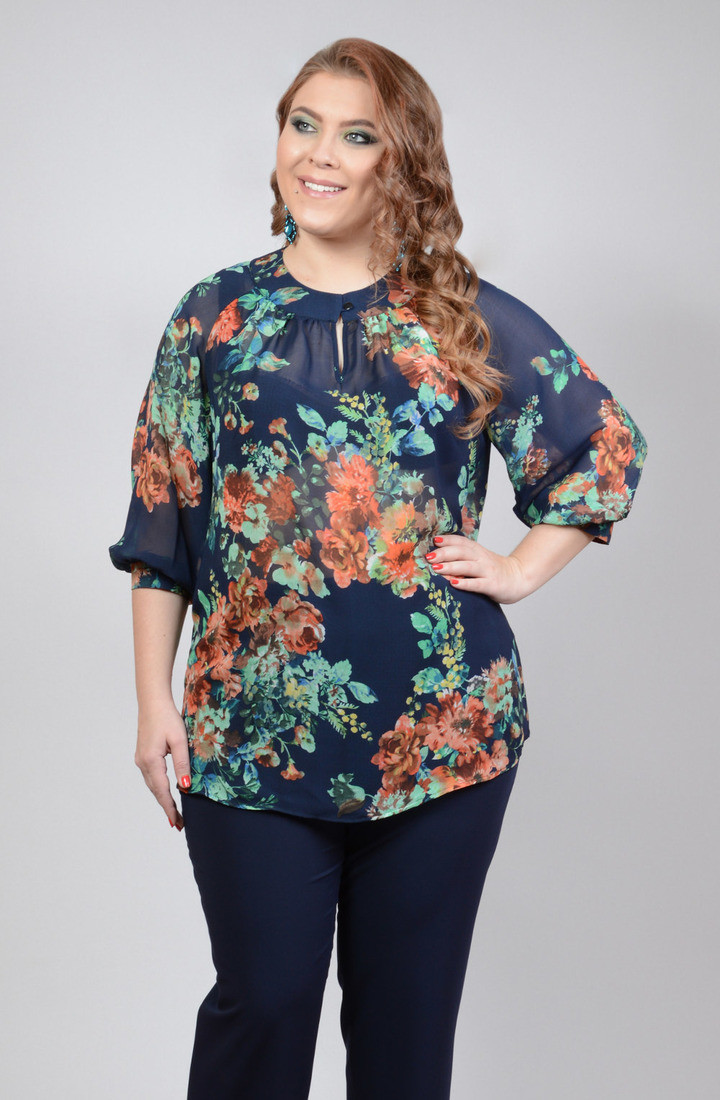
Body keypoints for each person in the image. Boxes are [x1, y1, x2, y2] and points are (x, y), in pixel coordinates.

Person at [109, 37, 646, 1100]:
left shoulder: (457, 315)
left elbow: (603, 445)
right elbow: (162, 512)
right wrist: (152, 701)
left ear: (400, 162)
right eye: (302, 124)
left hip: (445, 737)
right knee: (262, 1007)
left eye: (356, 135)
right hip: (251, 731)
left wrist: (521, 568)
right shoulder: (215, 316)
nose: (320, 154)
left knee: (404, 1041)